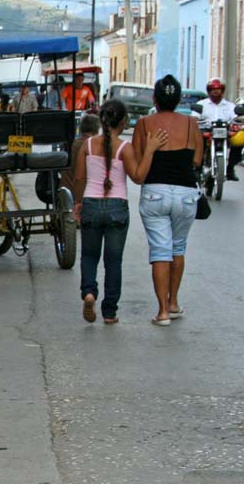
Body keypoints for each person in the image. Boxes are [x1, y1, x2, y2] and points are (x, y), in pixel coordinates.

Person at [73, 100, 167, 325]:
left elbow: (78, 178)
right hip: (117, 207)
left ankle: (89, 293)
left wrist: (78, 203)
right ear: (123, 122)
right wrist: (150, 150)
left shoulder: (87, 146)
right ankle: (109, 312)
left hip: (91, 204)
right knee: (113, 261)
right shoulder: (124, 148)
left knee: (89, 255)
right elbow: (138, 176)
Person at [131, 74, 204, 326]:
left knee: (160, 251)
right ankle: (173, 303)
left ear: (155, 99)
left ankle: (162, 312)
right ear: (179, 98)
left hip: (155, 192)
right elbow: (196, 160)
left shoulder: (143, 123)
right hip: (185, 193)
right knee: (178, 248)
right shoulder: (191, 124)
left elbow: (140, 157)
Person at [197, 77, 242, 181]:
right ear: (209, 91)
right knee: (197, 141)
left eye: (218, 90)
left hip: (224, 131)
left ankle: (230, 168)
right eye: (213, 90)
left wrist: (239, 120)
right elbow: (195, 116)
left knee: (240, 138)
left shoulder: (230, 106)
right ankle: (197, 169)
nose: (216, 93)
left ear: (222, 91)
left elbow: (236, 117)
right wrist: (196, 119)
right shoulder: (202, 104)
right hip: (207, 131)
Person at [60, 113, 100, 191]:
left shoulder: (71, 144)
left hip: (65, 191)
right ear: (97, 130)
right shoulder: (94, 146)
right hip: (83, 193)